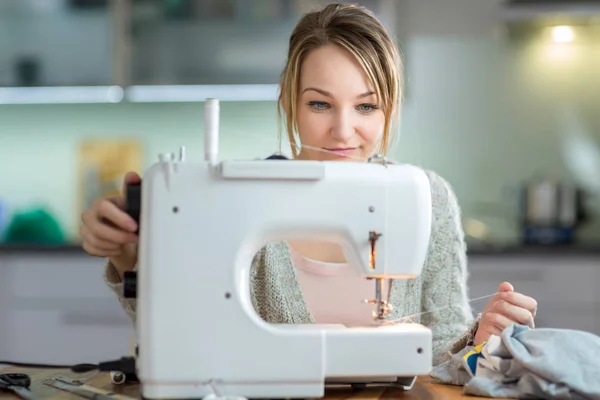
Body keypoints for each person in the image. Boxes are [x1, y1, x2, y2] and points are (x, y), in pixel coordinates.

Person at [80, 3, 538, 366]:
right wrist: (127, 253)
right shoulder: (230, 198)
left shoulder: (428, 197)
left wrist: (480, 339)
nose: (342, 131)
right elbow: (178, 339)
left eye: (365, 107)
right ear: (290, 101)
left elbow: (443, 356)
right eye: (321, 105)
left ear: (390, 108)